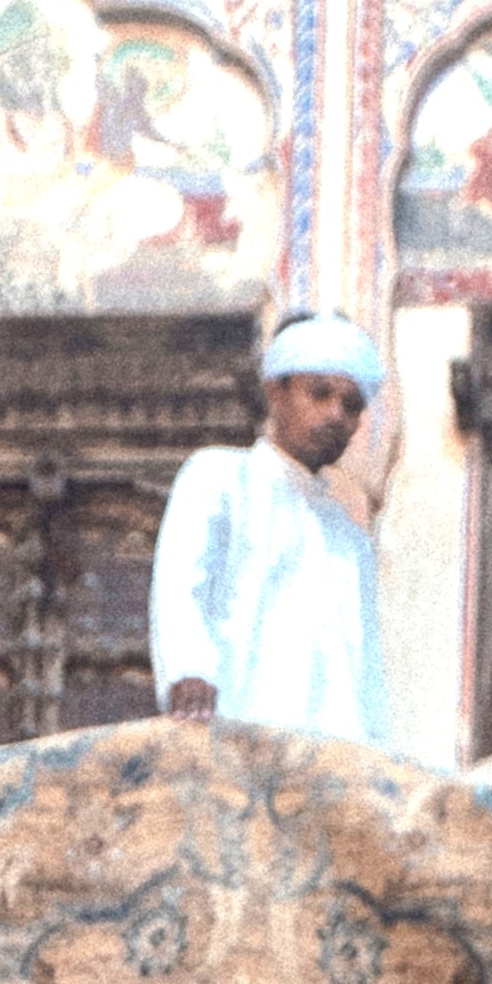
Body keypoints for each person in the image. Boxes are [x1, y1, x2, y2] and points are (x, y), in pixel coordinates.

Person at [148, 311, 387, 740]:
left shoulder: (349, 537)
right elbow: (181, 584)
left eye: (351, 405)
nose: (336, 415)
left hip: (334, 760)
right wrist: (189, 671)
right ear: (277, 392)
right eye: (320, 394)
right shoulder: (218, 477)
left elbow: (367, 667)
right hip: (236, 740)